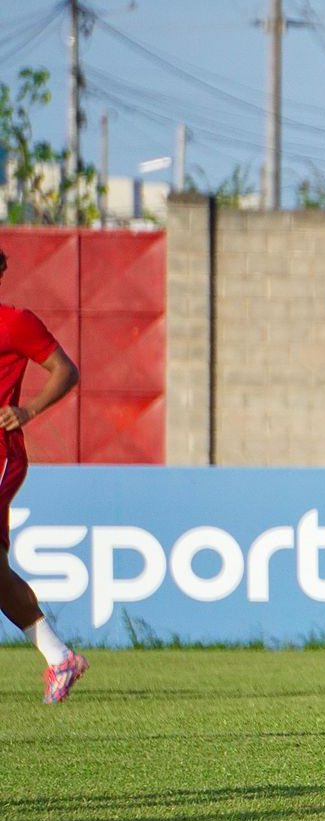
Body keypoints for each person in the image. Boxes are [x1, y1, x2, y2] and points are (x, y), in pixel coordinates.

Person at [0, 248, 86, 703]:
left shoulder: (15, 324)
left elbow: (65, 370)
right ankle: (60, 658)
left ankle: (60, 657)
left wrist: (27, 410)